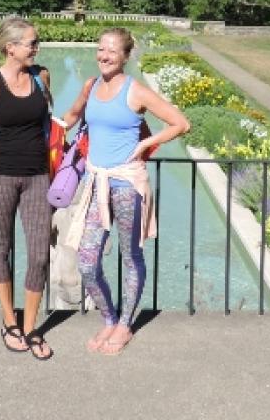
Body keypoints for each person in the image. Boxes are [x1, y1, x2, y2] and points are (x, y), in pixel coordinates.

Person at [59, 27, 190, 355]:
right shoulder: (91, 86)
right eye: (101, 49)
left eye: (112, 51)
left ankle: (124, 325)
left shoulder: (137, 91)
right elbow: (72, 116)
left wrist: (147, 142)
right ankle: (108, 319)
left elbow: (180, 123)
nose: (104, 55)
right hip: (96, 185)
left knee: (131, 256)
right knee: (87, 261)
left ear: (126, 56)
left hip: (128, 184)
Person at [0, 17, 54, 360]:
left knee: (38, 254)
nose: (36, 48)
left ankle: (31, 326)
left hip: (37, 177)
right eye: (31, 43)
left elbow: (51, 125)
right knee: (0, 251)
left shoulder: (42, 77)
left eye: (36, 43)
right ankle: (10, 322)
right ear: (11, 48)